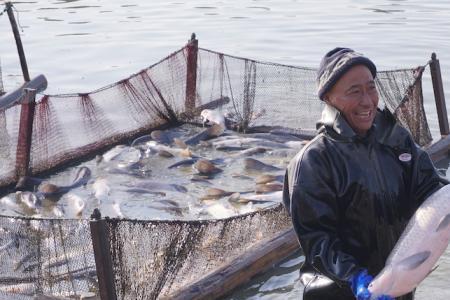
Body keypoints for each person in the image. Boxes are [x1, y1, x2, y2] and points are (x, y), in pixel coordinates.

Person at [282, 47, 448, 300]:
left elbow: (432, 192)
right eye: (354, 91)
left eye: (371, 88)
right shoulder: (313, 161)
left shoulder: (397, 140)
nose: (367, 101)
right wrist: (355, 278)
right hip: (341, 292)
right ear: (328, 97)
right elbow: (318, 242)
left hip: (397, 286)